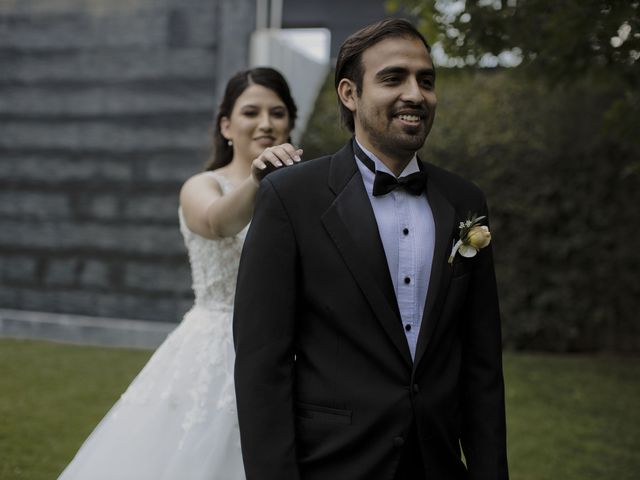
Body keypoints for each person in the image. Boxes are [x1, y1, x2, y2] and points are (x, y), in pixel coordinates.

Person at [233, 19, 509, 480]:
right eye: (393, 78)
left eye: (426, 80)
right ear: (349, 93)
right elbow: (263, 365)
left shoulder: (465, 201)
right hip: (333, 463)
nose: (416, 94)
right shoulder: (291, 196)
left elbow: (482, 364)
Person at [58, 67, 301, 480]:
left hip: (287, 348)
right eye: (251, 112)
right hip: (214, 347)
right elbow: (215, 223)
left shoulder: (305, 191)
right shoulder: (200, 186)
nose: (265, 123)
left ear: (290, 122)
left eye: (277, 113)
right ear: (227, 125)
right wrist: (259, 180)